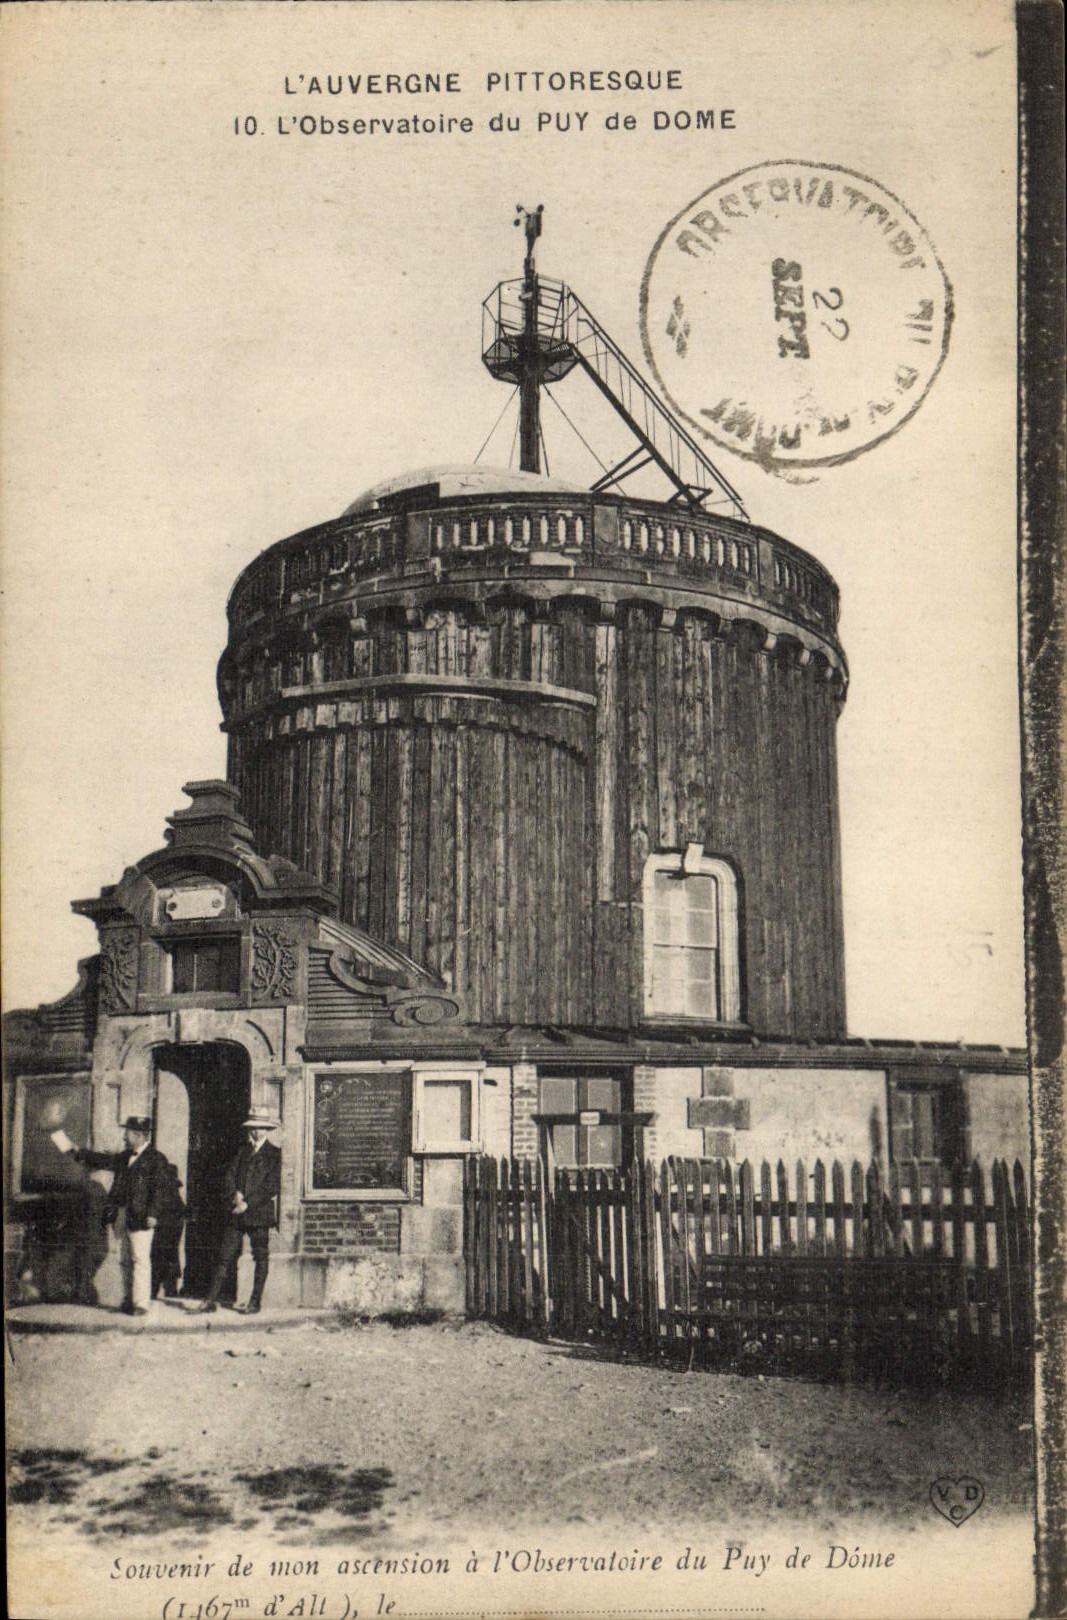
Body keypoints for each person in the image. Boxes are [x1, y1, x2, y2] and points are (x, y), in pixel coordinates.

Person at [77, 1115, 173, 1315]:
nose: (124, 1137)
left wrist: (153, 1213)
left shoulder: (156, 1159)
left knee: (140, 1259)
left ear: (139, 1135)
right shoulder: (124, 1156)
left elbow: (161, 1189)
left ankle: (140, 1304)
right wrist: (77, 1152)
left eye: (128, 1133)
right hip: (122, 1214)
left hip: (142, 1217)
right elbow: (104, 1160)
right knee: (124, 1259)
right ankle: (128, 1299)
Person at [19, 1097, 108, 1305]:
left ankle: (71, 1291)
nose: (44, 1115)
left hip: (63, 1205)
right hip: (53, 1203)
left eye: (51, 1111)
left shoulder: (59, 1138)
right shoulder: (43, 1139)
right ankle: (54, 1290)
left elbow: (73, 1162)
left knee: (69, 1251)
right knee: (52, 1251)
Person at [192, 1107, 281, 1315]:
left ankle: (254, 1302)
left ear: (267, 1130)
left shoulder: (275, 1154)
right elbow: (230, 1176)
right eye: (253, 1128)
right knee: (224, 1256)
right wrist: (235, 1195)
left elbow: (271, 1186)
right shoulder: (242, 1151)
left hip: (258, 1214)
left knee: (260, 1257)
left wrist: (247, 1203)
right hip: (237, 1212)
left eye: (260, 1128)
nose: (256, 1132)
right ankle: (210, 1300)